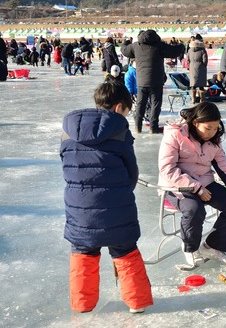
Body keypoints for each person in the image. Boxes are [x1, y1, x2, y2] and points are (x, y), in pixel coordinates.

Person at [60, 81, 153, 314]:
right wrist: (122, 191)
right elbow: (132, 171)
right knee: (126, 251)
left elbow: (66, 165)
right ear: (119, 107)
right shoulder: (119, 130)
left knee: (83, 252)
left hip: (79, 205)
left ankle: (83, 304)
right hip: (116, 205)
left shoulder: (68, 130)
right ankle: (137, 302)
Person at [157, 102, 226, 268]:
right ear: (195, 123)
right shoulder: (175, 135)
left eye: (215, 128)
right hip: (176, 187)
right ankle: (190, 249)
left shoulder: (214, 143)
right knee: (194, 209)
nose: (212, 133)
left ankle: (212, 246)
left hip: (205, 183)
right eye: (208, 128)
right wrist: (196, 188)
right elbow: (167, 169)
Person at [121, 30, 185, 134]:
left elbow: (124, 50)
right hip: (156, 81)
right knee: (155, 104)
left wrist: (125, 42)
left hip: (141, 81)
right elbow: (175, 51)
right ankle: (153, 127)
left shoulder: (136, 46)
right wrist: (182, 45)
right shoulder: (160, 46)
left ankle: (138, 127)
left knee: (140, 104)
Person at [188, 34, 208, 104]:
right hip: (200, 68)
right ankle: (202, 100)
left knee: (193, 85)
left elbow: (188, 59)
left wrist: (190, 66)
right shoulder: (202, 50)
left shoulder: (190, 50)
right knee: (201, 85)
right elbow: (205, 60)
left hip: (192, 68)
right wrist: (204, 66)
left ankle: (193, 99)